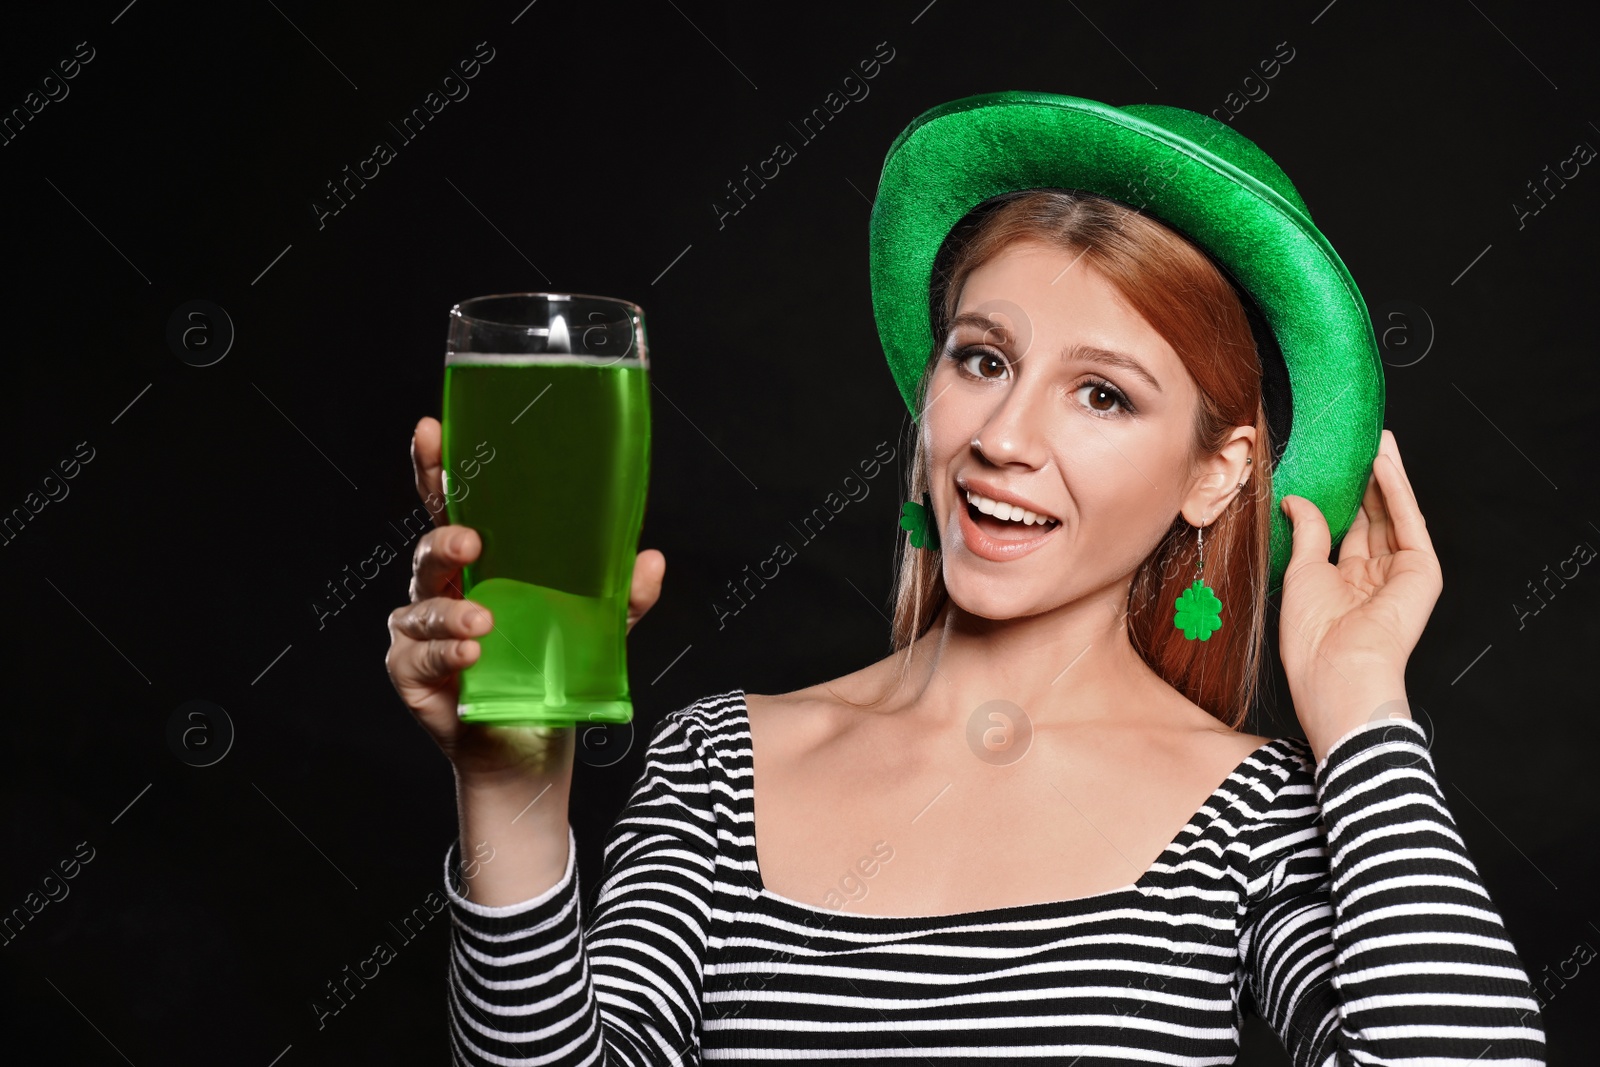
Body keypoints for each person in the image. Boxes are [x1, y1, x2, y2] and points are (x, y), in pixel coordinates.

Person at [386, 92, 1547, 1064]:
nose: (1004, 436)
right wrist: (510, 785)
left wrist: (1362, 712)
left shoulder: (1247, 819)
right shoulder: (711, 768)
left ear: (1217, 472)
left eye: (1102, 394)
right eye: (983, 359)